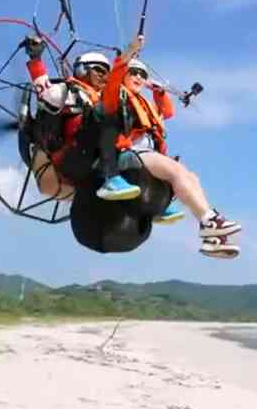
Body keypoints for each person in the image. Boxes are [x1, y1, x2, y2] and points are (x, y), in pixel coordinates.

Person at [97, 32, 242, 259]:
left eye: (142, 74)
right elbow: (116, 72)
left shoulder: (144, 101)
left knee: (191, 176)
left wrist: (159, 91)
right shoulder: (114, 94)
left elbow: (167, 112)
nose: (137, 76)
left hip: (147, 153)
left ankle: (212, 237)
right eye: (133, 72)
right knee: (176, 171)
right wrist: (130, 49)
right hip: (127, 154)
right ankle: (209, 221)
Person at [21, 38, 110, 201]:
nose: (104, 77)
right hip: (73, 156)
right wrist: (35, 60)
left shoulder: (104, 99)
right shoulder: (69, 91)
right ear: (83, 71)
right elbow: (46, 93)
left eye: (107, 73)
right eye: (99, 70)